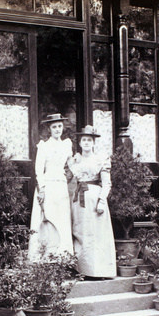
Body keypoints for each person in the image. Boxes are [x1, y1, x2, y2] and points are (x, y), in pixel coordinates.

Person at [69, 125, 116, 278]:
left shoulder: (100, 159)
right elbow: (68, 178)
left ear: (94, 143)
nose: (87, 143)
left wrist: (102, 201)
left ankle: (99, 271)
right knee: (80, 232)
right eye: (84, 140)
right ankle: (82, 270)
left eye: (90, 140)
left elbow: (106, 183)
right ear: (80, 143)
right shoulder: (74, 160)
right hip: (79, 200)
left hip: (94, 199)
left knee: (96, 234)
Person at [28, 114, 74, 261]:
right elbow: (38, 170)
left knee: (61, 220)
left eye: (59, 126)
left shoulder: (66, 144)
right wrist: (41, 189)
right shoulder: (44, 146)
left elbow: (71, 166)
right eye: (54, 127)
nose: (57, 129)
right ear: (49, 129)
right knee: (47, 219)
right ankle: (44, 258)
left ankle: (62, 258)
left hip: (61, 187)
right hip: (47, 187)